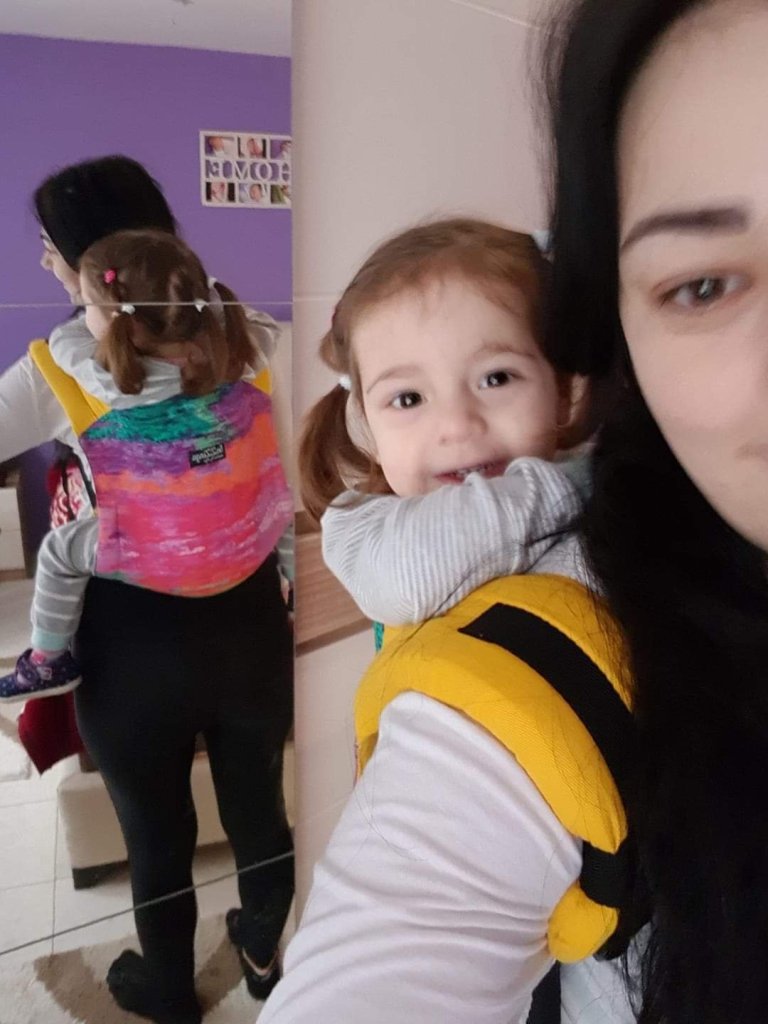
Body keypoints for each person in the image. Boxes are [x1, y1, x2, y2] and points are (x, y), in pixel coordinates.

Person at [263, 1, 768, 1022]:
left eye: (496, 376)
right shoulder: (431, 563)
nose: (456, 427)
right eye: (704, 284)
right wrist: (566, 477)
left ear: (569, 386)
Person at [0, 155, 295, 1023]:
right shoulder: (251, 333)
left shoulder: (57, 366)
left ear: (89, 264)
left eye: (51, 247)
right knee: (259, 810)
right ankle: (265, 953)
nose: (43, 261)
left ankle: (169, 989)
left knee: (158, 838)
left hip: (133, 644)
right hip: (250, 619)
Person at [0, 229, 292, 703]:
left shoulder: (105, 379)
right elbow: (258, 322)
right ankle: (298, 588)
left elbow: (64, 343)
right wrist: (201, 298)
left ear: (121, 324)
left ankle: (47, 660)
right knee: (278, 500)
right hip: (242, 546)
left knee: (58, 551)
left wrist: (90, 319)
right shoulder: (240, 357)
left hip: (151, 557)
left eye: (89, 307)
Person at [297, 218, 587, 637]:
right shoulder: (365, 534)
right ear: (366, 425)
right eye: (408, 399)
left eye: (496, 378)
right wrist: (592, 481)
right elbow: (409, 576)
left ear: (560, 389)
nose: (457, 425)